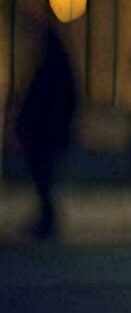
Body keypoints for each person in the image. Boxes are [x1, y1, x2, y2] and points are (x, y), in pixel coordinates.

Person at [15, 22, 78, 239]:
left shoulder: (53, 69)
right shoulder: (51, 68)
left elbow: (59, 104)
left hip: (45, 135)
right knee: (43, 179)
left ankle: (47, 218)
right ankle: (46, 217)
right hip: (44, 134)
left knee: (45, 177)